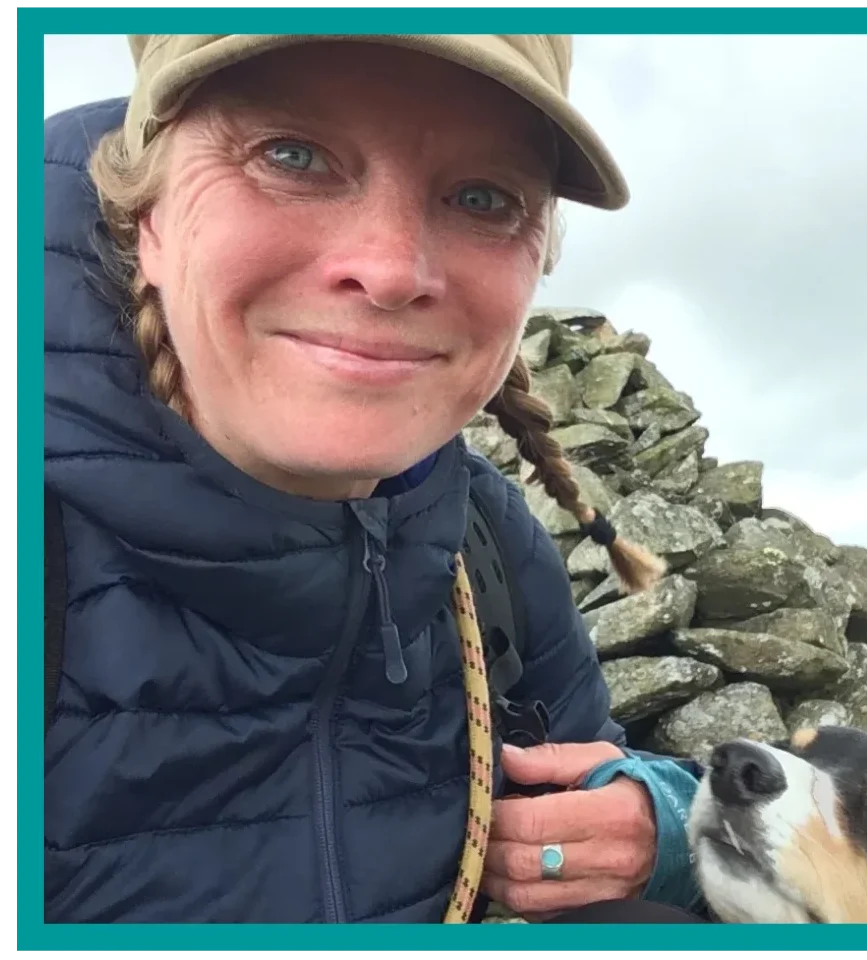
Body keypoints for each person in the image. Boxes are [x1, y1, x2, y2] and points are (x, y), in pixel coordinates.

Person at [43, 34, 713, 924]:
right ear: (150, 216)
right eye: (291, 155)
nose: (393, 269)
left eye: (483, 196)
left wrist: (660, 830)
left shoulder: (481, 540)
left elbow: (585, 778)